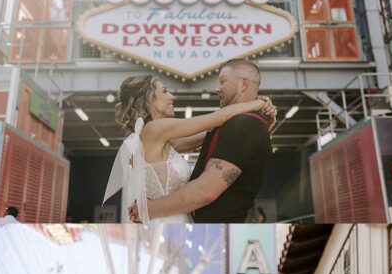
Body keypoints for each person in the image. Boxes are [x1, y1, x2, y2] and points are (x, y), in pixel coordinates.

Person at [106, 71, 273, 224]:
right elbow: (218, 118)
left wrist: (252, 131)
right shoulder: (153, 130)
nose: (172, 97)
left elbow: (211, 134)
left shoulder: (157, 139)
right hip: (167, 222)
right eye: (164, 91)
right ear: (149, 99)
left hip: (171, 219)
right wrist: (257, 104)